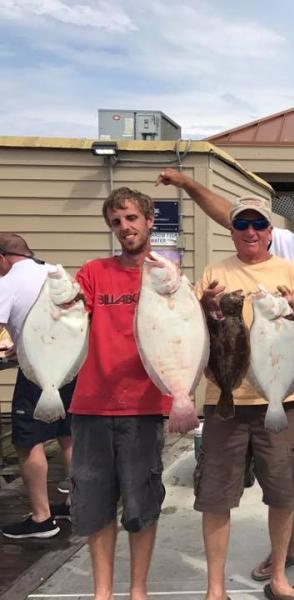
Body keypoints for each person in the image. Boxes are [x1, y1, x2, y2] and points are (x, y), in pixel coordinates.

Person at [156, 169, 294, 585]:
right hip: (280, 388)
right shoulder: (288, 245)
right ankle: (281, 553)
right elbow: (229, 214)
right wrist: (187, 183)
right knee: (278, 483)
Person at [193, 195, 294, 600]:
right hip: (224, 400)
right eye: (241, 224)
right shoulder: (214, 273)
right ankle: (215, 588)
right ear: (231, 231)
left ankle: (279, 576)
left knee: (283, 493)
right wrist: (204, 307)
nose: (250, 231)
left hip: (282, 399)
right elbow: (193, 332)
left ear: (270, 232)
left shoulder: (291, 273)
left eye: (258, 224)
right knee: (216, 496)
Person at [69, 187, 173, 600]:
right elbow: (69, 317)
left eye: (131, 218)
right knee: (95, 504)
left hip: (144, 405)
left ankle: (138, 591)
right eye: (116, 221)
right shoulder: (93, 272)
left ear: (149, 220)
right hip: (91, 406)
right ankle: (102, 593)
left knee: (141, 503)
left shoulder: (166, 274)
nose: (124, 227)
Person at [0, 234, 72, 540]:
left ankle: (42, 519)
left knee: (28, 440)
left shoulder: (7, 282)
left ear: (2, 258)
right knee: (69, 434)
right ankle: (76, 504)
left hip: (38, 371)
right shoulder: (56, 272)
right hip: (72, 366)